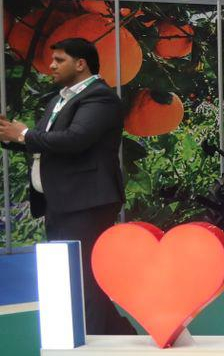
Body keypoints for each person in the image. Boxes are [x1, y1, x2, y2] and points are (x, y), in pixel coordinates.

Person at [0, 37, 134, 334]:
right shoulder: (60, 98)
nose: (51, 66)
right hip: (62, 201)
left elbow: (75, 139)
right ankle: (113, 335)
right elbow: (48, 142)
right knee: (74, 277)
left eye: (59, 60)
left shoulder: (100, 97)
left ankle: (104, 338)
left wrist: (24, 135)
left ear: (80, 63)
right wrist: (12, 137)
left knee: (84, 276)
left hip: (86, 201)